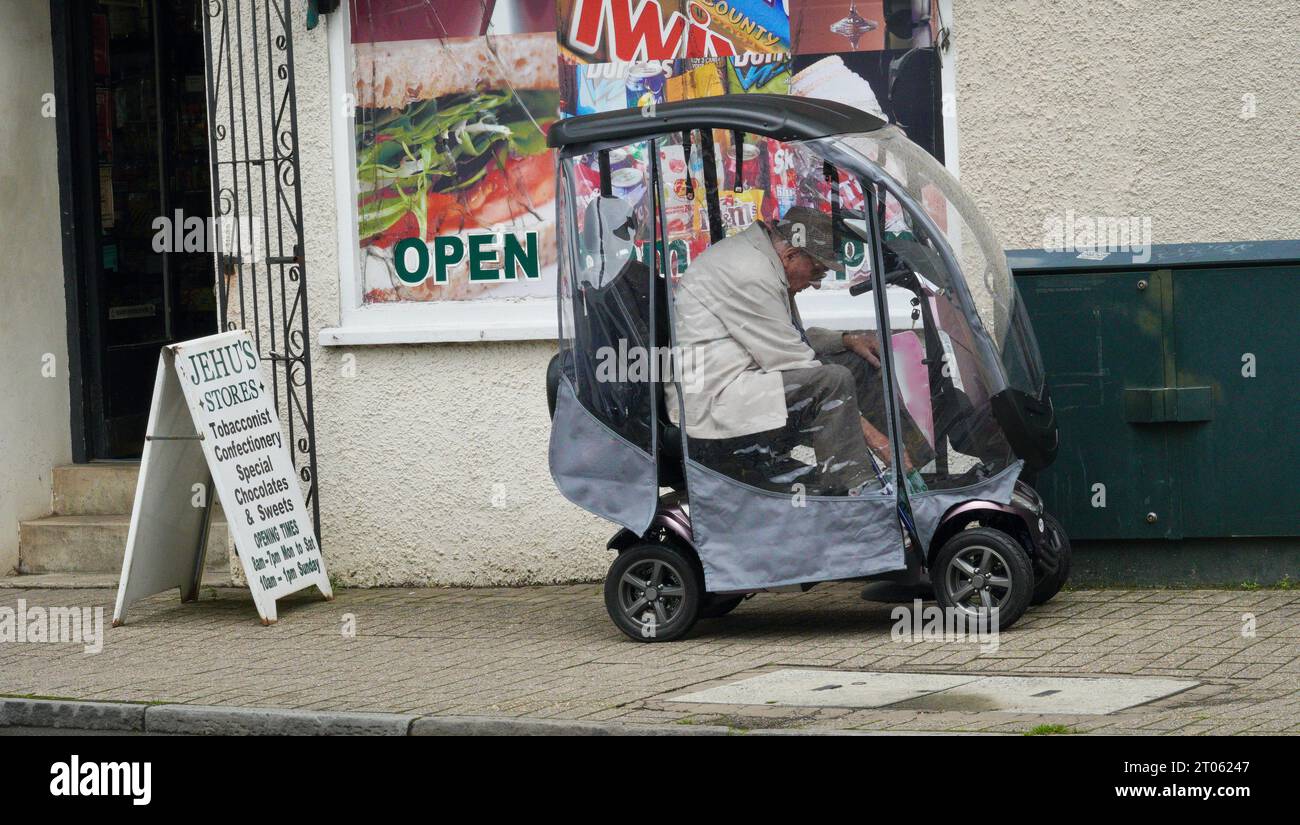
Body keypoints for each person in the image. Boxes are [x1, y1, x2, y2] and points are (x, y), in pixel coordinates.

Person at [667, 206, 931, 494]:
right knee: (832, 381)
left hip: (743, 379)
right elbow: (795, 361)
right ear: (792, 254)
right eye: (816, 271)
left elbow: (789, 338)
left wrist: (845, 339)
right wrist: (877, 441)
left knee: (859, 363)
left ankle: (914, 473)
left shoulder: (767, 259)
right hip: (713, 405)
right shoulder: (750, 272)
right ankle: (857, 492)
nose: (817, 284)